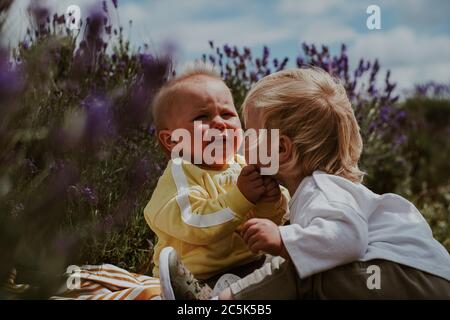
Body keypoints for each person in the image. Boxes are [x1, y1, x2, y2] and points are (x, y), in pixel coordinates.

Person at [160, 67, 450, 299]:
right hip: (422, 279)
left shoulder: (320, 189)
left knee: (302, 272)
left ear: (282, 150)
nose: (242, 142)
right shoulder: (323, 189)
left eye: (250, 133)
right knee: (308, 263)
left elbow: (348, 239)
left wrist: (283, 239)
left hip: (404, 277)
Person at [143, 63, 289, 299]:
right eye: (202, 117)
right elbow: (195, 222)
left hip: (253, 262)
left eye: (228, 114)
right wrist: (241, 197)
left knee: (287, 266)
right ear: (172, 141)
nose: (220, 123)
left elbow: (263, 224)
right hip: (203, 273)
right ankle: (192, 294)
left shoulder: (242, 164)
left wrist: (270, 202)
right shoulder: (181, 173)